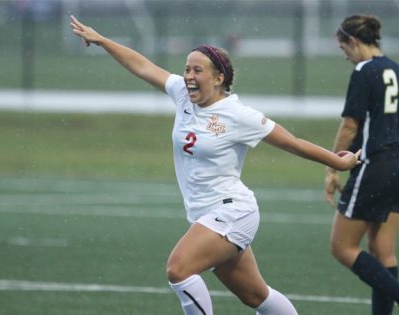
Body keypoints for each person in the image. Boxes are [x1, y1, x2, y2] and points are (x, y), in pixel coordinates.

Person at [71, 15, 360, 315]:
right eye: (186, 69)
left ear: (219, 78)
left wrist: (338, 161)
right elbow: (143, 66)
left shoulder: (238, 115)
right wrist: (102, 41)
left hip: (233, 211)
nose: (188, 76)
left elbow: (294, 143)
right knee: (255, 296)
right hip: (205, 214)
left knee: (178, 269)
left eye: (197, 70)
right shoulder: (183, 94)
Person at [324, 14, 399, 315]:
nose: (346, 57)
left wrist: (331, 167)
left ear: (353, 42)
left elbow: (350, 126)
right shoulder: (397, 69)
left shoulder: (364, 70)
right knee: (383, 253)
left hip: (377, 166)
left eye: (344, 49)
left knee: (342, 247)